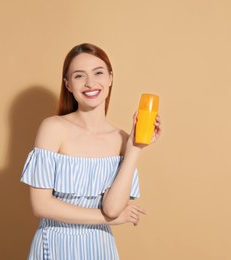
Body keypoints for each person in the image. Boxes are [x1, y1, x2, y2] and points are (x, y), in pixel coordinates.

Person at [20, 43, 162, 259]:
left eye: (98, 73)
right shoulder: (54, 128)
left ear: (110, 78)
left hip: (100, 247)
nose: (90, 83)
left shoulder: (122, 139)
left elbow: (113, 209)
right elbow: (41, 205)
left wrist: (135, 146)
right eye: (79, 76)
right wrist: (107, 219)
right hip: (57, 246)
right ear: (68, 84)